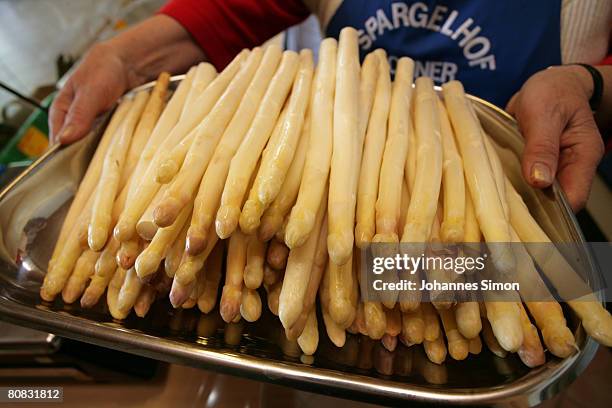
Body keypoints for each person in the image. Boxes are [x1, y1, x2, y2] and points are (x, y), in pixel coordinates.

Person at [50, 0, 612, 211]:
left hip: (530, 216)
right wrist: (125, 57)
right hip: (325, 200)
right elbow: (230, 9)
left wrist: (591, 83)